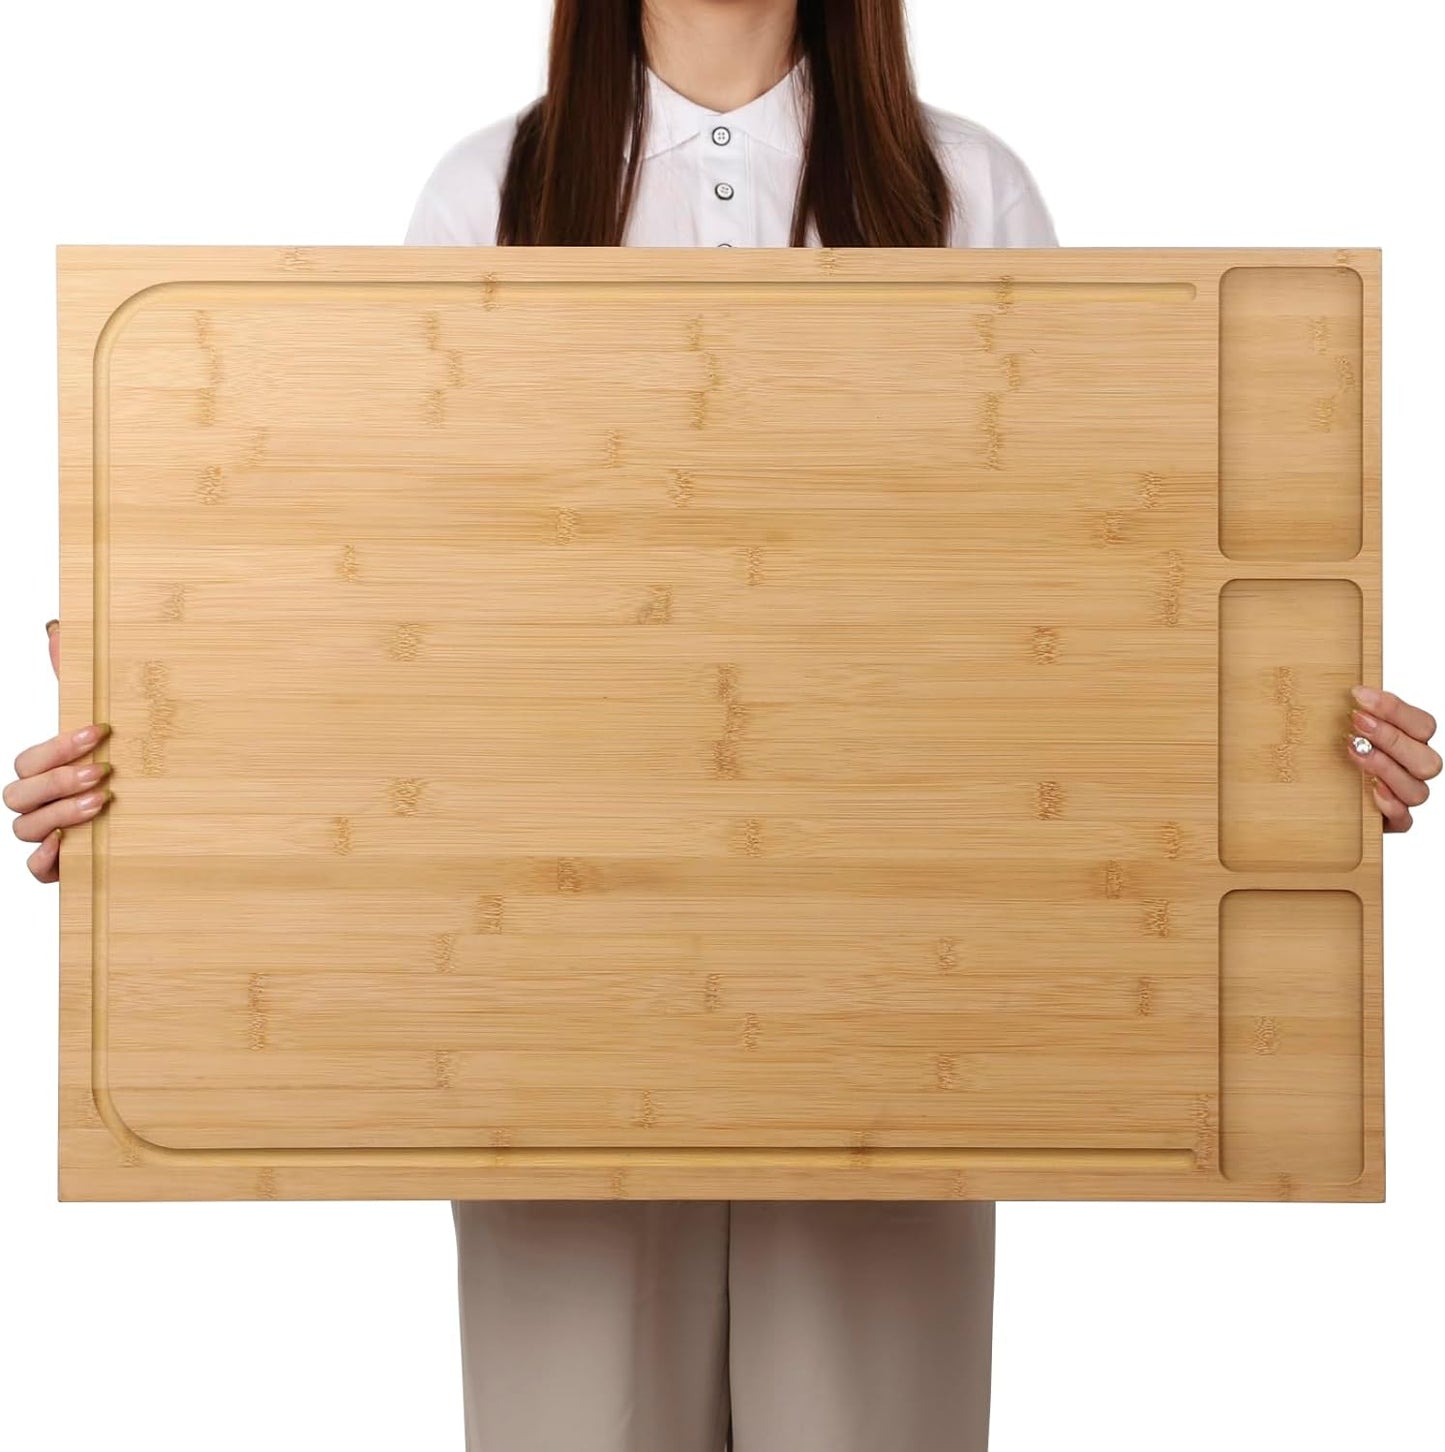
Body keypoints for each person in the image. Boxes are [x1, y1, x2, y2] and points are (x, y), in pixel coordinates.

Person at [8, 2, 1440, 1449]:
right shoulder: (487, 192)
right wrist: (153, 784)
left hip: (905, 996)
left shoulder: (965, 189)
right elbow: (402, 613)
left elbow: (1088, 596)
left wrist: (1299, 752)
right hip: (550, 1006)